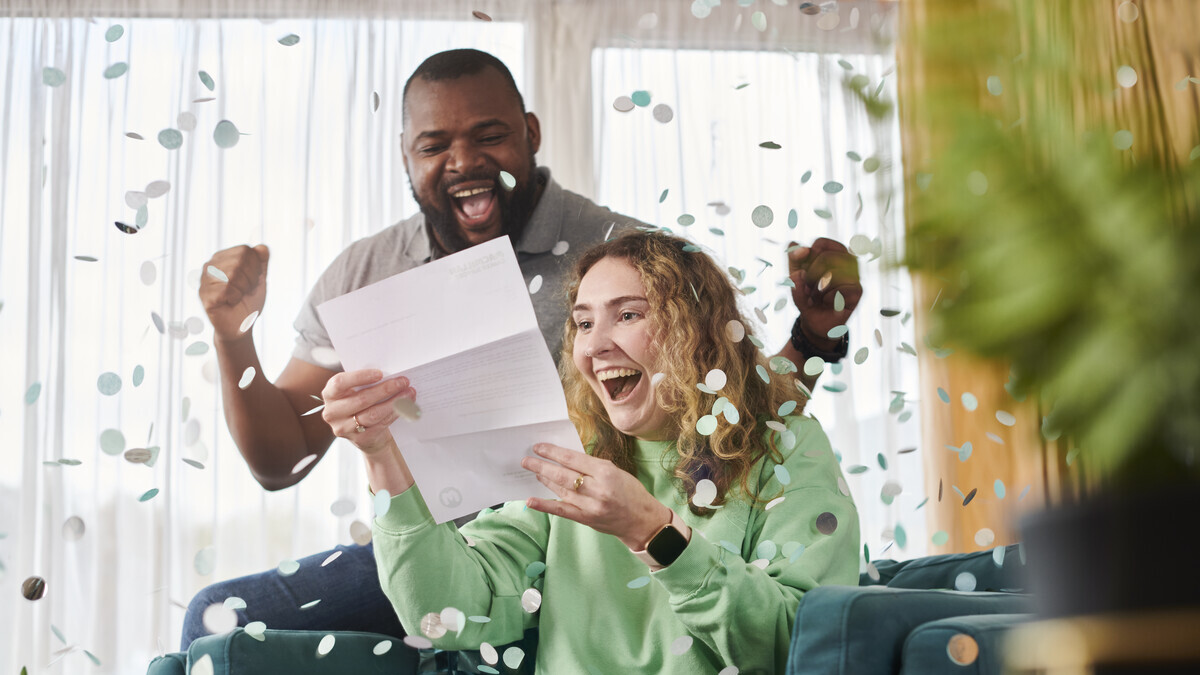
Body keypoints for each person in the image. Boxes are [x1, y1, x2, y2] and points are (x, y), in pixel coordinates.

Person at [185, 48, 862, 650]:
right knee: (215, 618)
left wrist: (809, 338)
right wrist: (233, 335)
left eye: (489, 135)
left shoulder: (622, 253)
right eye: (434, 144)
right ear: (405, 155)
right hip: (466, 545)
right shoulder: (366, 273)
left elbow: (733, 411)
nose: (464, 161)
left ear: (531, 134)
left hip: (592, 548)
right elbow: (281, 462)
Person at [343, 230, 860, 673]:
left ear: (699, 331)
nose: (593, 347)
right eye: (584, 323)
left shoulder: (789, 447)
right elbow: (443, 613)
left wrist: (654, 533)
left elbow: (800, 646)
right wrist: (381, 453)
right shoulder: (575, 453)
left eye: (628, 314)